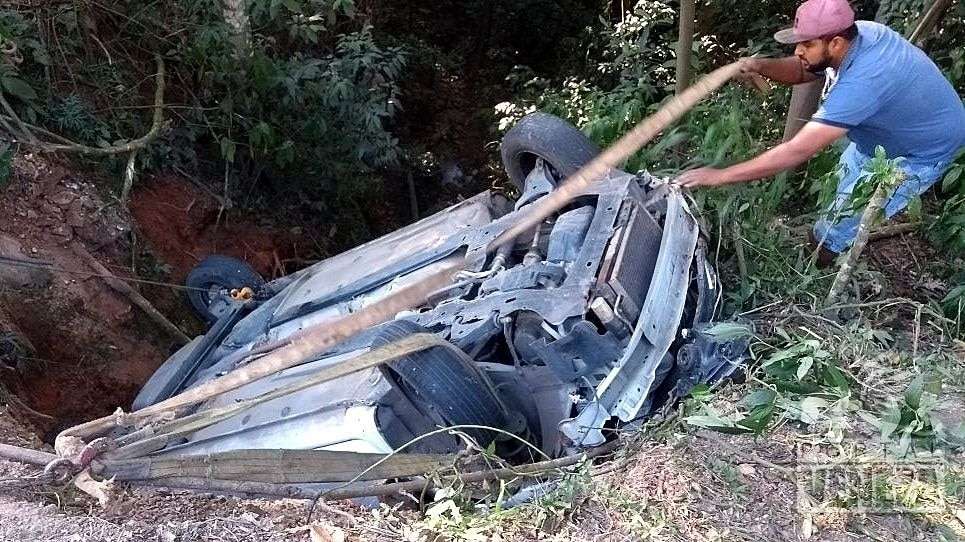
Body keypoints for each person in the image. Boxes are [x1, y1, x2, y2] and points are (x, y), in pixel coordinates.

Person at [675, 0, 965, 259]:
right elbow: (805, 69)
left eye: (807, 44)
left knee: (834, 231)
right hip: (883, 137)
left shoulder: (863, 83)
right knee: (840, 191)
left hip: (920, 153)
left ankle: (819, 266)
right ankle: (829, 236)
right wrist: (760, 65)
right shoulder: (857, 33)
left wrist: (719, 176)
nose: (798, 50)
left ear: (836, 43)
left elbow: (796, 151)